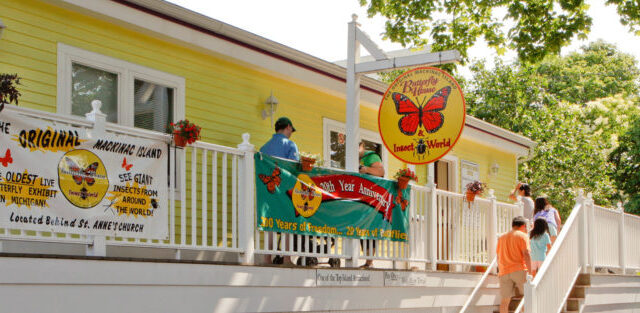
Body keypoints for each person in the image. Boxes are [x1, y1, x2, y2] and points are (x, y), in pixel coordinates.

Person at [260, 117, 299, 266]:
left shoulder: (264, 148)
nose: (291, 134)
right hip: (284, 188)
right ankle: (287, 259)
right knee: (287, 223)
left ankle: (267, 259)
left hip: (268, 190)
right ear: (288, 127)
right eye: (291, 130)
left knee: (270, 224)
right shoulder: (290, 145)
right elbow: (293, 167)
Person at [497, 216, 533, 313]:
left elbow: (498, 255)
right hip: (519, 269)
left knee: (505, 301)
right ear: (523, 226)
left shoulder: (502, 237)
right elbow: (526, 254)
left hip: (504, 271)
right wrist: (530, 272)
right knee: (527, 296)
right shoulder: (522, 235)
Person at [358, 142, 384, 268]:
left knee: (369, 229)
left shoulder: (371, 156)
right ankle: (368, 261)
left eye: (357, 147)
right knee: (362, 229)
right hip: (359, 198)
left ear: (362, 146)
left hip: (372, 198)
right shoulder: (354, 158)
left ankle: (369, 262)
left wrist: (366, 169)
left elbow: (380, 171)